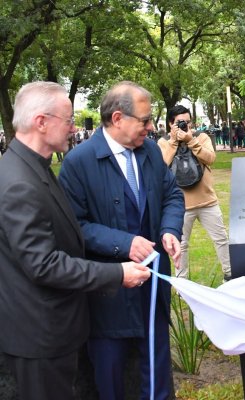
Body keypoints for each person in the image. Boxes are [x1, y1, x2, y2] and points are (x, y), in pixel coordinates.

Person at [0, 81, 150, 400]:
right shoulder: (19, 183)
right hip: (40, 336)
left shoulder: (32, 168)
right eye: (67, 120)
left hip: (53, 330)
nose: (72, 128)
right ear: (41, 122)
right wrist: (117, 274)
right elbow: (44, 265)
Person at [59, 81, 184, 400]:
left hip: (153, 286)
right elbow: (74, 226)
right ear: (117, 118)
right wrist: (123, 243)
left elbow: (171, 194)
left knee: (156, 367)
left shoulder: (151, 152)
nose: (152, 126)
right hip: (108, 292)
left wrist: (170, 229)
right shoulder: (78, 163)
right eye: (145, 120)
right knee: (110, 372)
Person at [158, 105, 231, 281]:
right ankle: (183, 283)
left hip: (207, 201)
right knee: (181, 245)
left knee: (221, 239)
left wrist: (191, 141)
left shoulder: (201, 137)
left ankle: (230, 274)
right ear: (170, 124)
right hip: (180, 205)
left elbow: (211, 158)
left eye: (188, 122)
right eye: (180, 123)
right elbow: (161, 168)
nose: (185, 126)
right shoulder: (163, 142)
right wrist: (174, 142)